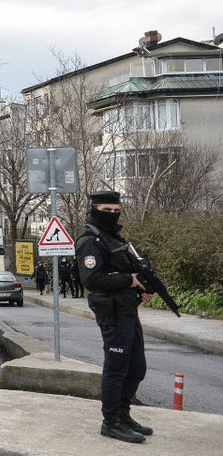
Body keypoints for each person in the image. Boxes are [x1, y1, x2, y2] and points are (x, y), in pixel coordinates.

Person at [77, 190, 154, 444]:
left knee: (137, 367)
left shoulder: (114, 238)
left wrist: (141, 285)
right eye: (106, 211)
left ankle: (123, 414)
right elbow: (92, 279)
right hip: (112, 312)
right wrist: (129, 280)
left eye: (115, 210)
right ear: (95, 209)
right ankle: (111, 422)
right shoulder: (90, 241)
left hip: (127, 309)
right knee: (116, 367)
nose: (112, 214)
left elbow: (127, 269)